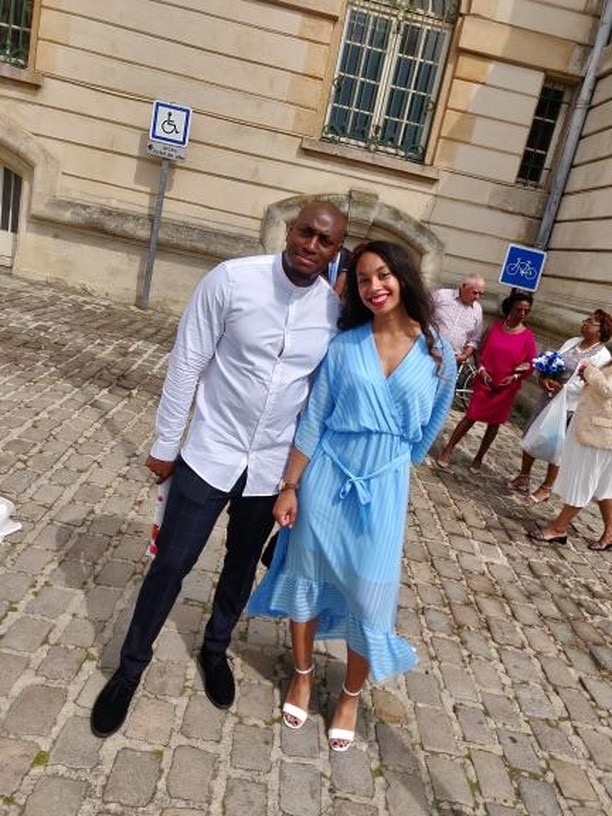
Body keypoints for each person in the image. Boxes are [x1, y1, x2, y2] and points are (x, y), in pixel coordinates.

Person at [90, 201, 347, 738]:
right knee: (171, 564)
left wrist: (297, 479)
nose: (311, 246)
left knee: (240, 566)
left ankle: (214, 648)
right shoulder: (232, 280)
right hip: (209, 453)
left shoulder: (331, 312)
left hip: (270, 466)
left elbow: (317, 398)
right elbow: (188, 361)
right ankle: (130, 668)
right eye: (306, 232)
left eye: (325, 241)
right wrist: (166, 441)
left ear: (334, 251)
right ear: (290, 230)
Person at [248, 240, 456, 752]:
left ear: (404, 277)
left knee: (371, 596)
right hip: (326, 479)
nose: (374, 287)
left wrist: (393, 464)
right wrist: (291, 486)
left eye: (383, 275)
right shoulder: (344, 346)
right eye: (363, 279)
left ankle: (349, 696)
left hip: (383, 487)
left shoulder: (438, 353)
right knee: (306, 582)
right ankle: (301, 675)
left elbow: (430, 428)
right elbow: (314, 419)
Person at [509, 309, 612, 502]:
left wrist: (563, 388)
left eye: (590, 321)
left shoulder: (602, 356)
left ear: (601, 330)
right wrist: (545, 377)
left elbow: (591, 383)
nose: (585, 323)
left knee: (557, 445)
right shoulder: (573, 342)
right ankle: (524, 475)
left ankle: (546, 487)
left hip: (570, 405)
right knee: (532, 433)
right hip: (548, 397)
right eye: (586, 319)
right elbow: (553, 361)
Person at [436, 288, 537, 472]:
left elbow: (531, 364)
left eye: (526, 311)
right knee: (470, 416)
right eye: (519, 309)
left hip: (506, 387)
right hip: (485, 381)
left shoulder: (528, 337)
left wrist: (515, 376)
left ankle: (479, 457)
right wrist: (481, 369)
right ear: (510, 308)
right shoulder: (494, 327)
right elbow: (478, 350)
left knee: (494, 424)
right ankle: (448, 449)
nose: (522, 313)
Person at [528, 358, 612, 551]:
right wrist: (589, 376)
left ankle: (559, 528)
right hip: (594, 429)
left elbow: (608, 390)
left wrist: (589, 370)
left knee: (583, 480)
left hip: (599, 433)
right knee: (603, 486)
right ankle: (610, 533)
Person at [432, 274, 485, 365]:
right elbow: (421, 317)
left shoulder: (477, 310)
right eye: (475, 292)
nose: (477, 297)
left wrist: (465, 355)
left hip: (453, 359)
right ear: (463, 286)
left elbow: (474, 340)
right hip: (428, 351)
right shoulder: (441, 295)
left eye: (481, 294)